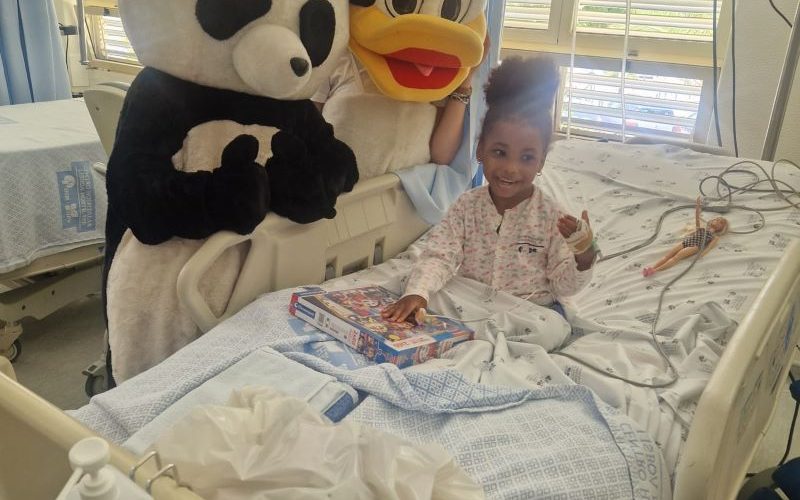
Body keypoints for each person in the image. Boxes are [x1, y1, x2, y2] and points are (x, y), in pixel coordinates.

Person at [381, 56, 598, 323]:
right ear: (480, 150)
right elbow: (440, 255)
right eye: (499, 152)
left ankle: (486, 332)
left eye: (527, 158)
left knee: (552, 326)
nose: (511, 169)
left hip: (526, 309)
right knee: (409, 285)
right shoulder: (467, 206)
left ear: (541, 161)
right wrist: (418, 293)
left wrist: (583, 258)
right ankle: (462, 324)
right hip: (471, 299)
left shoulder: (552, 217)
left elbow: (563, 286)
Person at [312, 37, 489, 166]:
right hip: (342, 197)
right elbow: (307, 130)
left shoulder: (435, 68)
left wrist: (467, 76)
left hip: (404, 199)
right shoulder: (337, 53)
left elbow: (441, 155)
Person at [642, 197, 728, 277]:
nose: (717, 221)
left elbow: (709, 247)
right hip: (687, 241)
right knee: (667, 256)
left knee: (676, 258)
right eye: (717, 219)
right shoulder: (703, 228)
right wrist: (697, 206)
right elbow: (697, 218)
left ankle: (655, 270)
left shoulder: (714, 237)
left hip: (695, 246)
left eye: (721, 222)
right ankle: (652, 267)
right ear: (712, 220)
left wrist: (702, 254)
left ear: (722, 228)